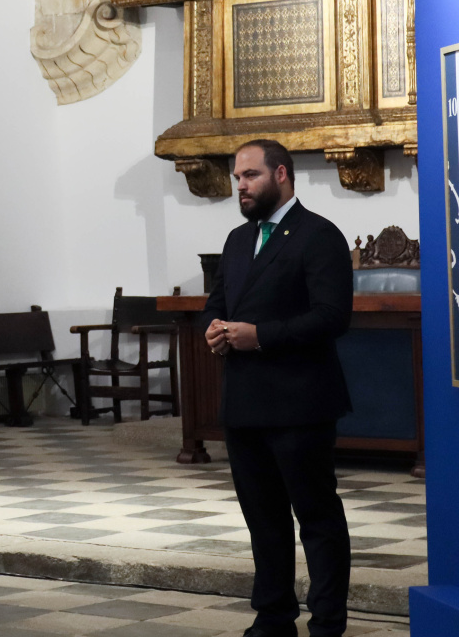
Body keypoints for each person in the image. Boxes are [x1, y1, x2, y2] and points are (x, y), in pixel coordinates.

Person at [202, 140, 353, 637]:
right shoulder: (237, 240)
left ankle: (327, 621)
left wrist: (260, 336)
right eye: (237, 178)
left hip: (300, 402)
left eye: (249, 176)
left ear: (281, 174)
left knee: (316, 517)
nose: (240, 186)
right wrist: (214, 329)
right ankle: (273, 617)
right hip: (245, 403)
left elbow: (332, 317)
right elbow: (217, 303)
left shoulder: (318, 235)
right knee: (263, 521)